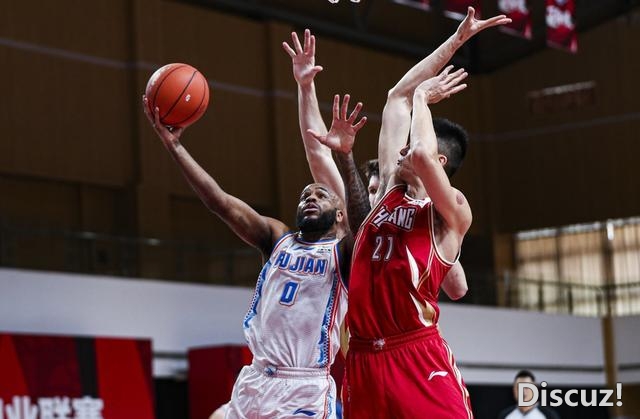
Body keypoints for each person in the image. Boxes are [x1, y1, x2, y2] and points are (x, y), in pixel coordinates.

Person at [313, 7, 511, 418]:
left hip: (416, 355)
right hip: (364, 359)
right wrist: (457, 41)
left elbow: (420, 150)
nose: (399, 149)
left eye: (410, 146)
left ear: (440, 163)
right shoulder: (389, 185)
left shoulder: (450, 212)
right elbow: (396, 97)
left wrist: (425, 98)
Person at [143, 99, 353, 418]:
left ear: (340, 215)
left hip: (304, 386)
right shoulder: (277, 237)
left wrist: (346, 158)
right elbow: (220, 203)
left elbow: (369, 225)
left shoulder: (343, 252)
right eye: (304, 196)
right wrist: (174, 146)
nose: (310, 198)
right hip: (256, 379)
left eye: (320, 196)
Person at [283, 29, 469, 302]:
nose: (372, 196)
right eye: (369, 190)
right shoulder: (358, 214)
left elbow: (458, 289)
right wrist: (306, 87)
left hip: (408, 333)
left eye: (374, 189)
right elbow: (319, 154)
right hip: (354, 336)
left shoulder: (436, 217)